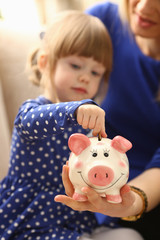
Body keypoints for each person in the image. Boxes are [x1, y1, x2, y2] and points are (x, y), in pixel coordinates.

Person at [0, 10, 113, 240]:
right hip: (31, 218)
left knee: (128, 235)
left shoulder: (86, 121)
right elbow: (31, 121)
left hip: (72, 217)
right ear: (45, 62)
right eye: (75, 65)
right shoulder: (31, 110)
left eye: (95, 72)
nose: (85, 77)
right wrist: (75, 109)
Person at [54, 0, 160, 239]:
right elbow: (53, 65)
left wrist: (131, 200)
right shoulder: (104, 21)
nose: (143, 8)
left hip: (146, 194)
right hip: (86, 175)